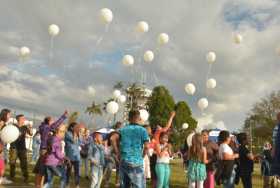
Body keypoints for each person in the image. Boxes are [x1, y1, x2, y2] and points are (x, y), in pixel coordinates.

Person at [111, 110, 149, 188]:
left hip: (124, 160)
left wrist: (117, 153)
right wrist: (142, 156)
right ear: (139, 118)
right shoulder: (143, 130)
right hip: (137, 161)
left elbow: (112, 139)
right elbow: (147, 147)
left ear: (129, 118)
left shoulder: (123, 129)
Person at [34, 111, 67, 188]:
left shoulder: (46, 128)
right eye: (52, 121)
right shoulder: (46, 128)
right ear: (48, 122)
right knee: (41, 169)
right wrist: (63, 116)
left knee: (43, 169)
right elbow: (56, 124)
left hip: (45, 150)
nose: (53, 122)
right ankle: (38, 185)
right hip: (45, 151)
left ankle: (40, 185)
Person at [149, 111, 176, 188]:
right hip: (158, 161)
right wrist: (171, 117)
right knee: (158, 180)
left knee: (164, 181)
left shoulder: (157, 138)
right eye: (158, 126)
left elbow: (170, 154)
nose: (160, 127)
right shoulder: (157, 136)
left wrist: (169, 149)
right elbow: (167, 126)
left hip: (163, 162)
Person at [9, 114, 32, 183]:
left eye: (24, 118)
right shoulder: (13, 126)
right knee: (12, 163)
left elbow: (31, 134)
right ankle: (12, 176)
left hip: (22, 148)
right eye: (23, 118)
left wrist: (30, 128)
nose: (24, 119)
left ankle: (26, 177)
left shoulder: (25, 127)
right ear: (18, 119)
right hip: (13, 147)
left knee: (24, 163)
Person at [44, 124, 68, 188]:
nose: (64, 134)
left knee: (49, 181)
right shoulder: (57, 141)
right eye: (63, 132)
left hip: (48, 162)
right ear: (59, 132)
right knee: (63, 176)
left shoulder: (51, 138)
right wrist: (65, 156)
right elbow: (59, 155)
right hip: (54, 163)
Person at [65, 122, 82, 188]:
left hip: (76, 156)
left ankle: (77, 184)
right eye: (76, 127)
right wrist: (75, 133)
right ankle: (67, 184)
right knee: (68, 171)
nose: (78, 128)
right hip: (69, 156)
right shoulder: (67, 133)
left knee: (77, 172)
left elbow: (80, 143)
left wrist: (79, 134)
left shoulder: (78, 134)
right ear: (72, 127)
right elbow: (74, 141)